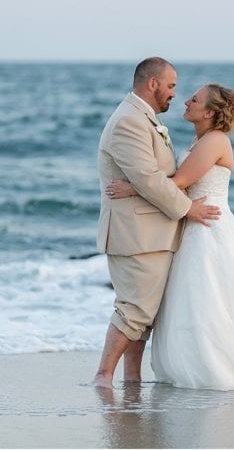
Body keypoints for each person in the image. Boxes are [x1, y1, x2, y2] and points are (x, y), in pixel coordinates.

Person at [106, 83, 234, 390]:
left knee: (211, 300)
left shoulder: (215, 140)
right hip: (194, 225)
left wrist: (131, 187)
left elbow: (179, 181)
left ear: (208, 112)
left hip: (208, 229)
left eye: (195, 99)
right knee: (195, 301)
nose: (186, 101)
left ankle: (218, 367)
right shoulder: (202, 139)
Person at [94, 57, 220, 388]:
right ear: (152, 84)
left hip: (151, 234)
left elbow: (155, 177)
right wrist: (188, 209)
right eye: (171, 86)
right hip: (135, 234)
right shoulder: (128, 122)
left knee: (144, 316)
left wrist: (139, 187)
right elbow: (150, 179)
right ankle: (102, 377)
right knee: (134, 310)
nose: (174, 95)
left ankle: (131, 379)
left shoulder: (144, 118)